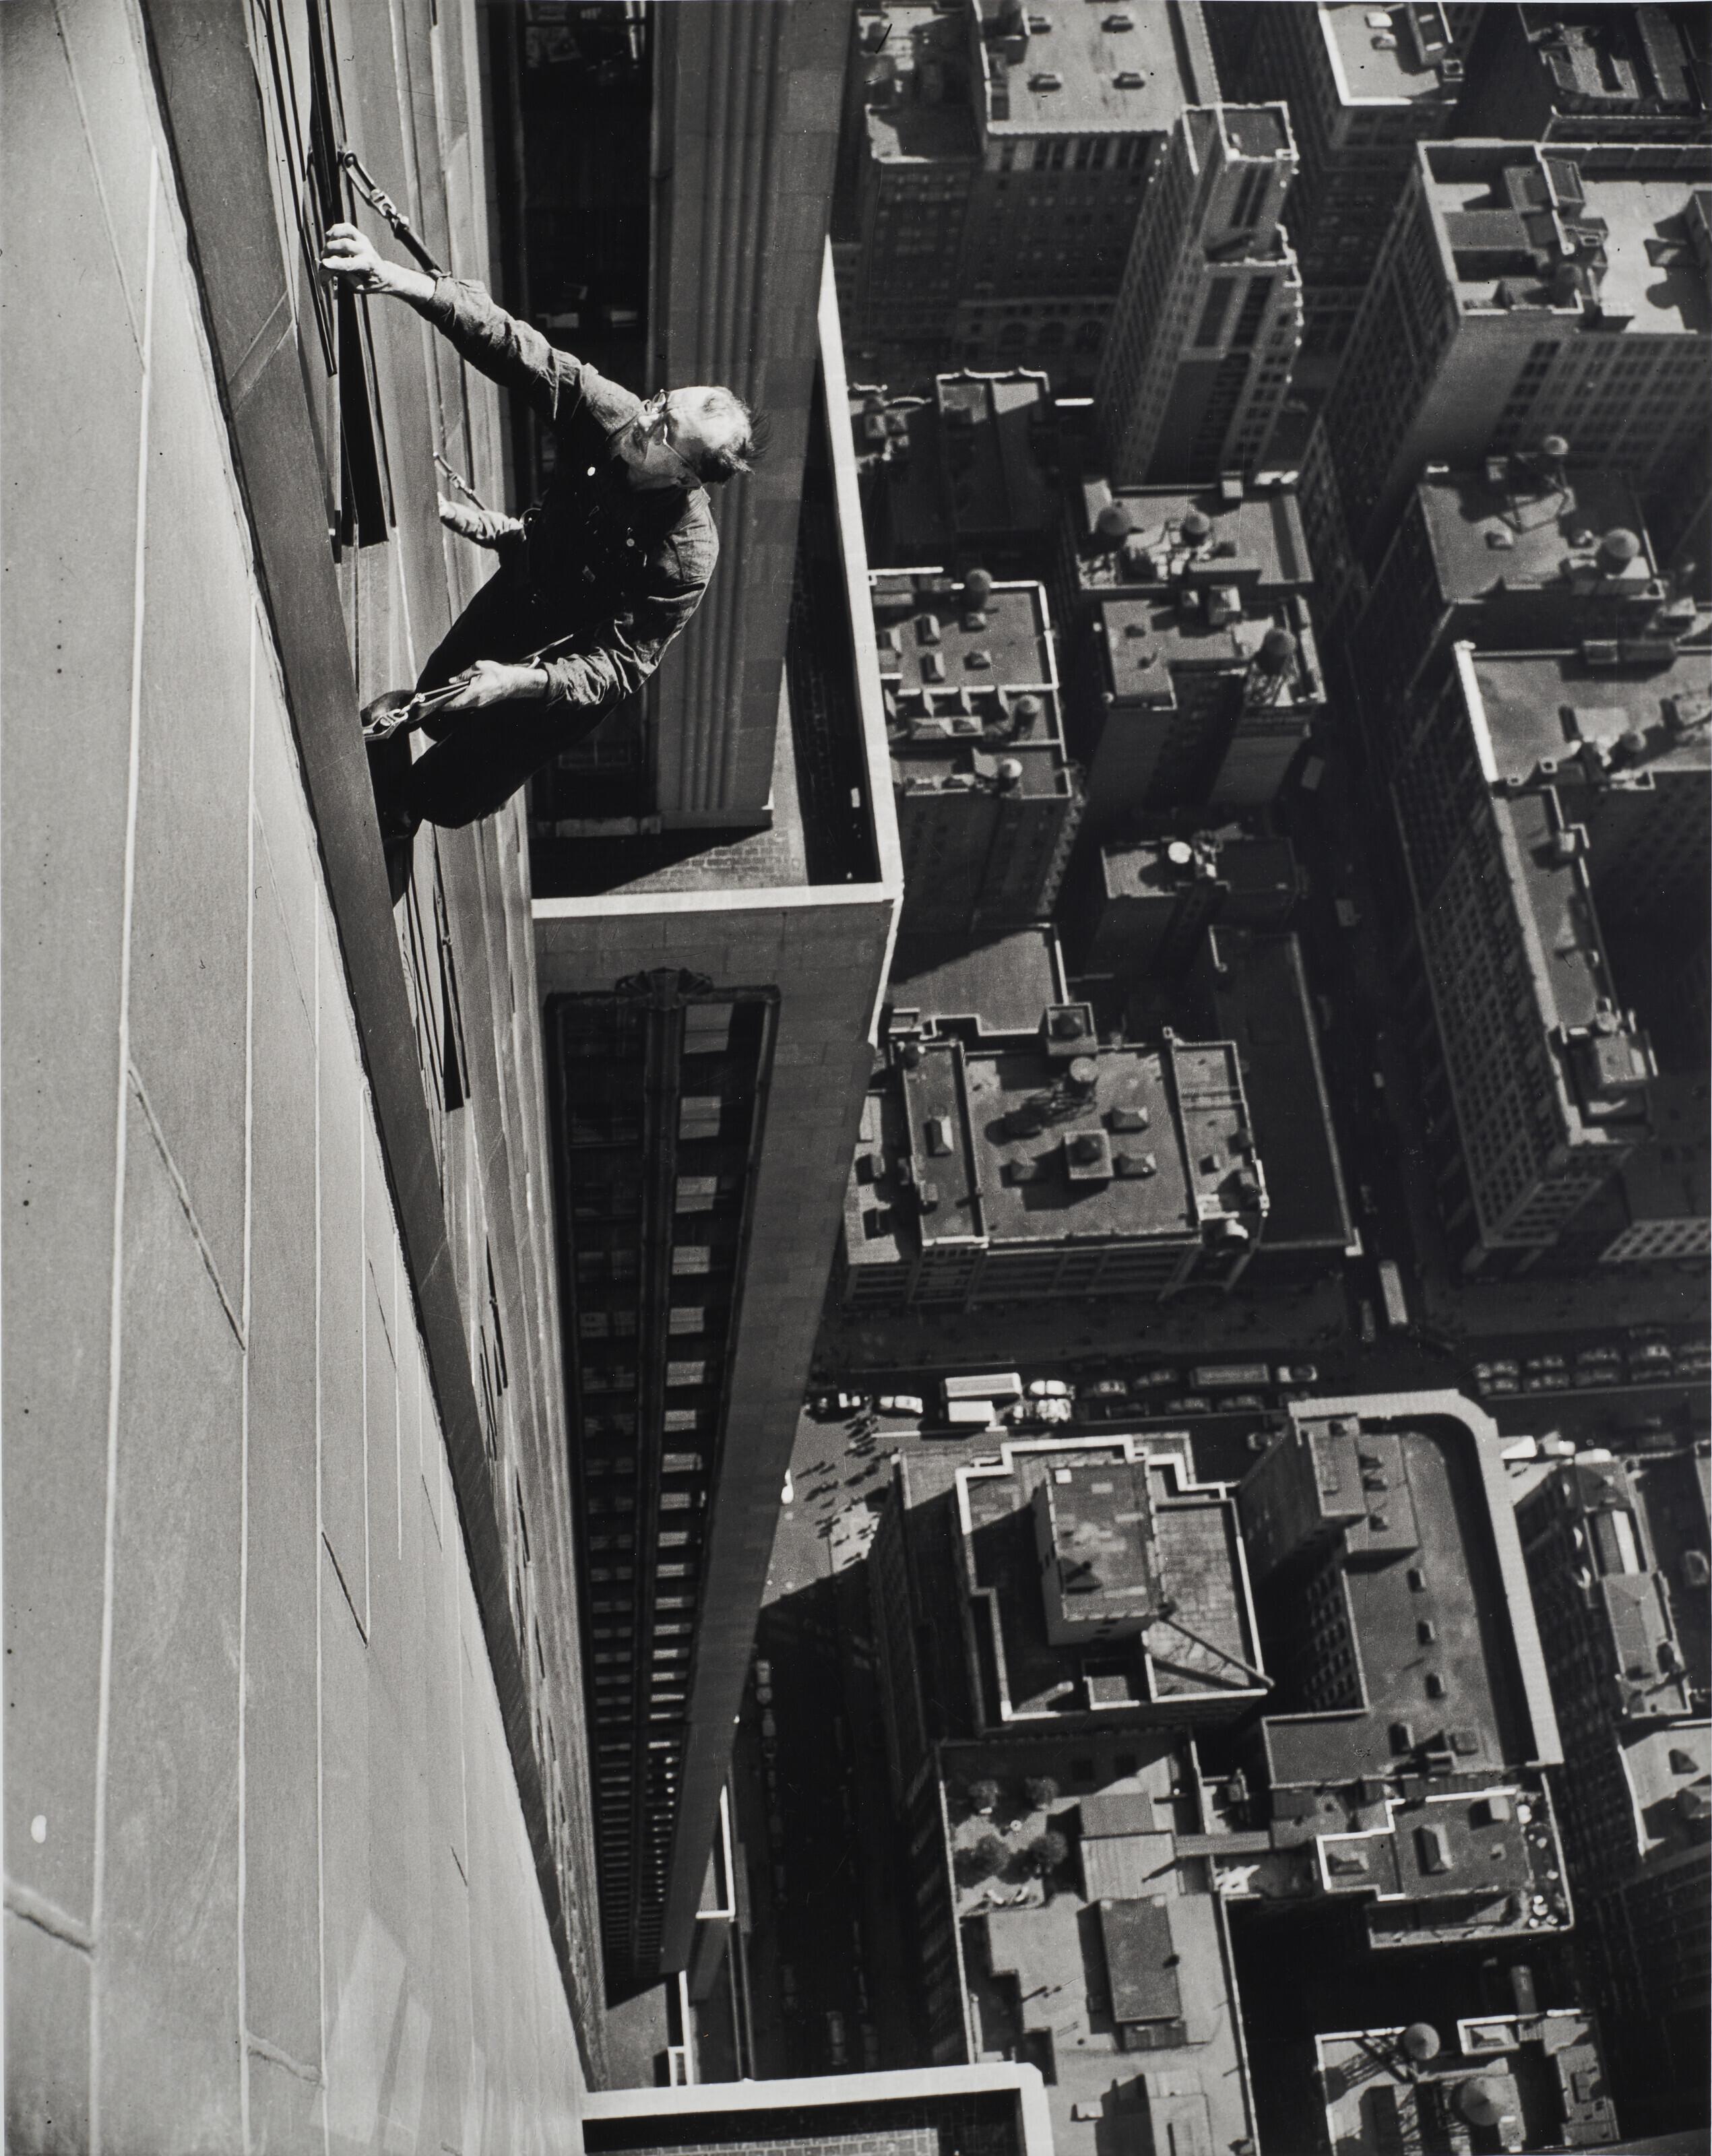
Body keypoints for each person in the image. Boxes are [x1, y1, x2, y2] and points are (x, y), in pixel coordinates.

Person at [318, 222, 759, 895]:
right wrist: (395, 279)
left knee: (456, 788)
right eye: (659, 403)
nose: (644, 419)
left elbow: (617, 665)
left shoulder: (686, 555)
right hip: (529, 586)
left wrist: (517, 683)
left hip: (561, 672)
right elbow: (518, 349)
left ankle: (407, 810)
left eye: (665, 431)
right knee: (442, 701)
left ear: (688, 474)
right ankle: (427, 732)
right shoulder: (615, 415)